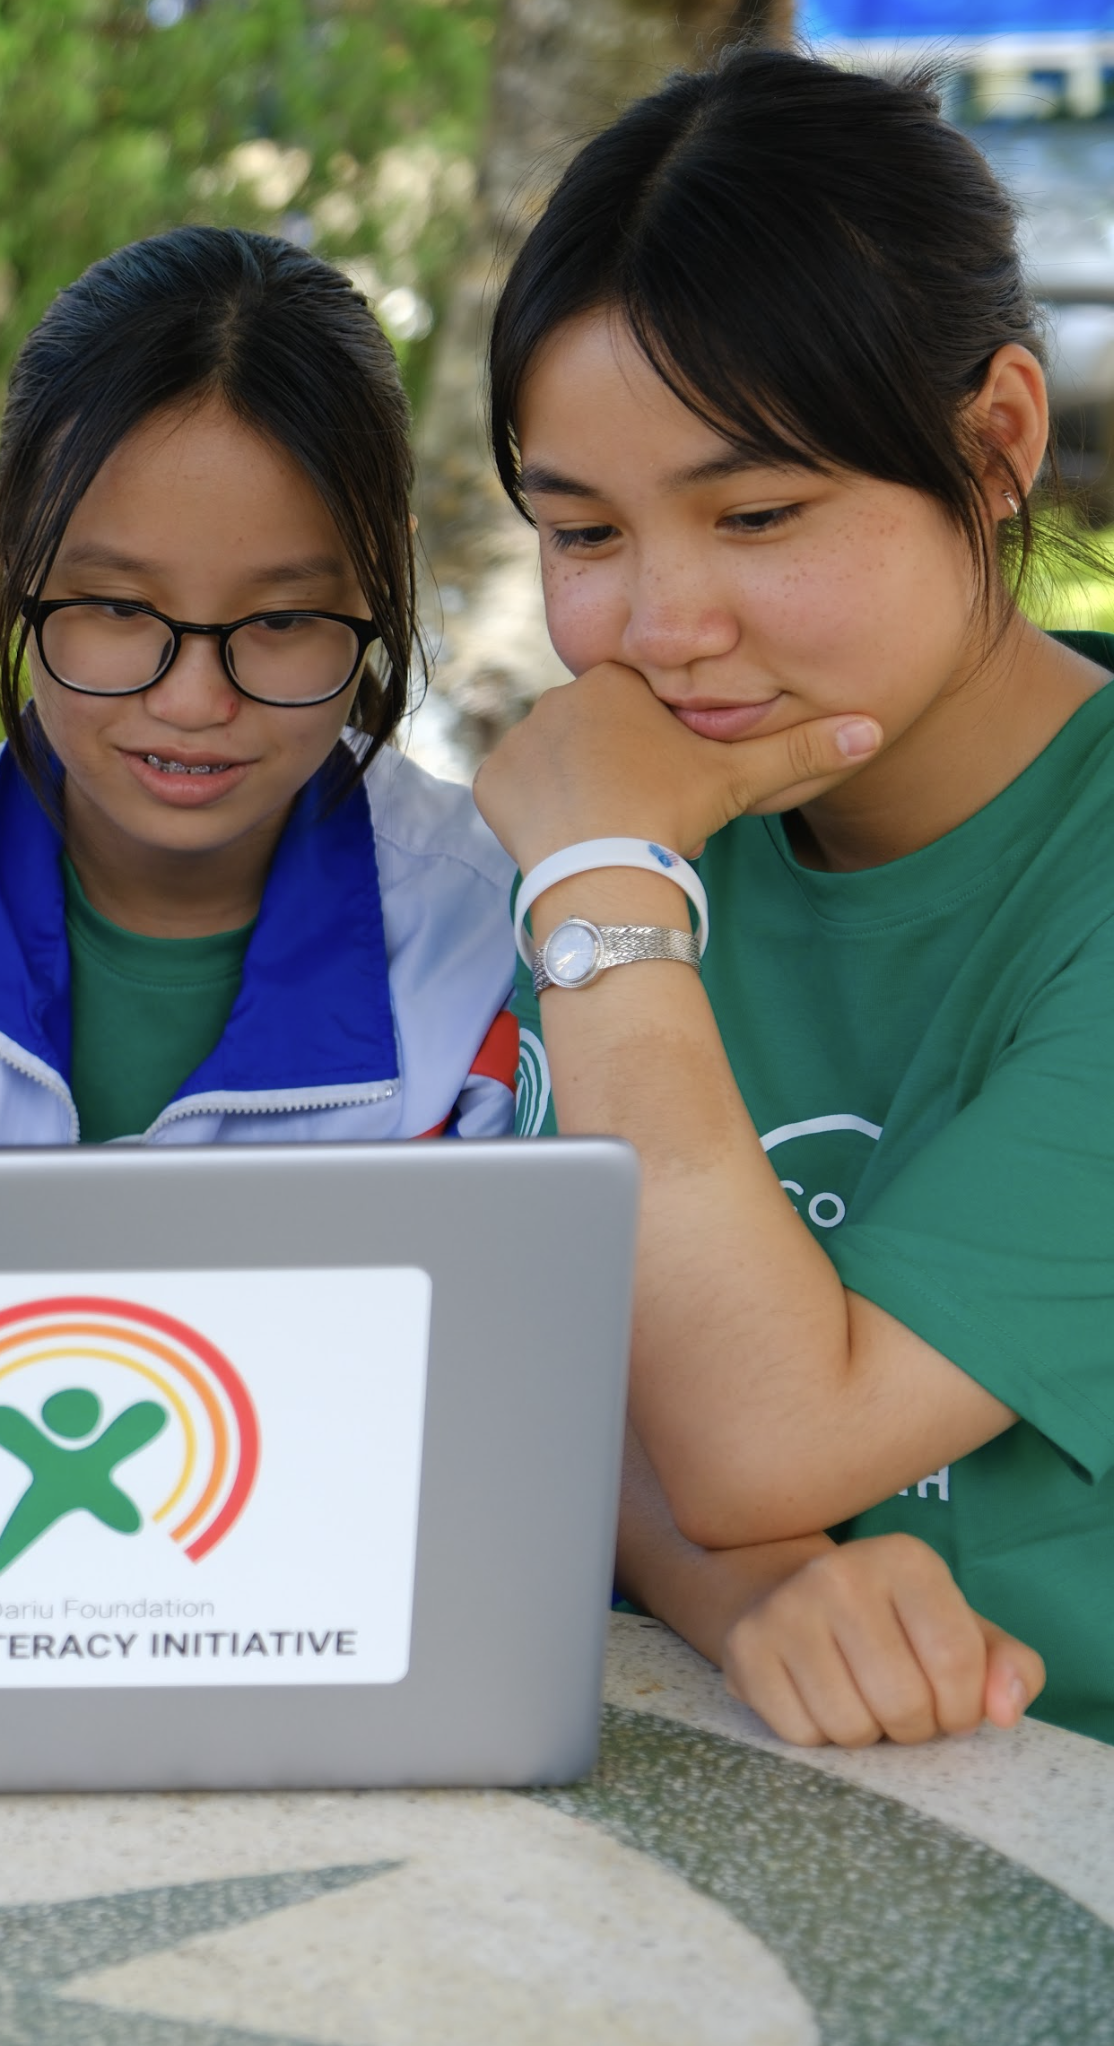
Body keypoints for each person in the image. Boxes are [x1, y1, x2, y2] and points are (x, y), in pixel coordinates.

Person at [478, 49, 1096, 1748]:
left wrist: (600, 900)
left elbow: (754, 1437)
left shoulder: (611, 860)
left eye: (752, 512)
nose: (661, 629)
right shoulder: (663, 807)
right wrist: (743, 1583)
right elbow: (551, 1356)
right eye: (582, 535)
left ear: (991, 446)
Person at [0, 226, 518, 1156]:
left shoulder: (490, 935)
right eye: (120, 607)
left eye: (281, 621)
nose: (196, 702)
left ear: (383, 577)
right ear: (7, 553)